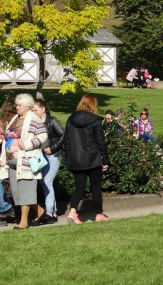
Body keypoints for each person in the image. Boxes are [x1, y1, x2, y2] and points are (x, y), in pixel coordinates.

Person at [0, 93, 48, 230]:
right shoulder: (15, 118)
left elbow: (43, 135)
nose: (17, 107)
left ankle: (24, 222)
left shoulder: (33, 119)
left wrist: (28, 145)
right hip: (12, 161)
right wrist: (3, 157)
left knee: (26, 191)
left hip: (25, 160)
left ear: (27, 106)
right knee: (17, 193)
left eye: (19, 105)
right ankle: (39, 211)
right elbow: (7, 138)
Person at [64, 93, 110, 224]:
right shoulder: (95, 120)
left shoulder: (70, 119)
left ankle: (73, 212)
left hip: (76, 158)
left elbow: (66, 141)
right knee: (96, 187)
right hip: (93, 158)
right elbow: (101, 142)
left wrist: (68, 157)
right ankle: (98, 214)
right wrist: (105, 160)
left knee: (79, 187)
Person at [32, 99, 64, 224]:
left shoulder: (52, 121)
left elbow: (63, 136)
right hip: (40, 157)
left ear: (43, 109)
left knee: (47, 181)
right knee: (44, 183)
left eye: (35, 110)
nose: (33, 112)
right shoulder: (34, 123)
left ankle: (49, 212)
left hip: (53, 155)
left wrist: (52, 148)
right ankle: (53, 212)